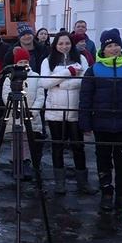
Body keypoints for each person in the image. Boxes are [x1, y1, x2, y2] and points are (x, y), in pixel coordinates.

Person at [79, 29, 122, 211]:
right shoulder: (94, 70)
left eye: (116, 45)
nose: (114, 48)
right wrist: (85, 123)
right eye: (110, 46)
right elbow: (85, 98)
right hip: (101, 124)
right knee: (103, 160)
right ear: (103, 48)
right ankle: (106, 192)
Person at [40, 31, 96, 195]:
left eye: (67, 43)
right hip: (55, 111)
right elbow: (45, 82)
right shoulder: (48, 60)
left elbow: (86, 81)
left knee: (78, 147)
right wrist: (69, 72)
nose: (64, 46)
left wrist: (62, 84)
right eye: (60, 43)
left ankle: (82, 183)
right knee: (57, 147)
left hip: (76, 110)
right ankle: (60, 183)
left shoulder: (81, 59)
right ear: (55, 45)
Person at [1, 48, 45, 181]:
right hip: (16, 114)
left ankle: (27, 163)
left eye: (26, 61)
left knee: (28, 140)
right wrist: (17, 108)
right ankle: (16, 163)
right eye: (21, 61)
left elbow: (40, 96)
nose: (24, 64)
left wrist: (34, 110)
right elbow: (5, 94)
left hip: (31, 114)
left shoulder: (36, 76)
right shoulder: (10, 77)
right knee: (16, 140)